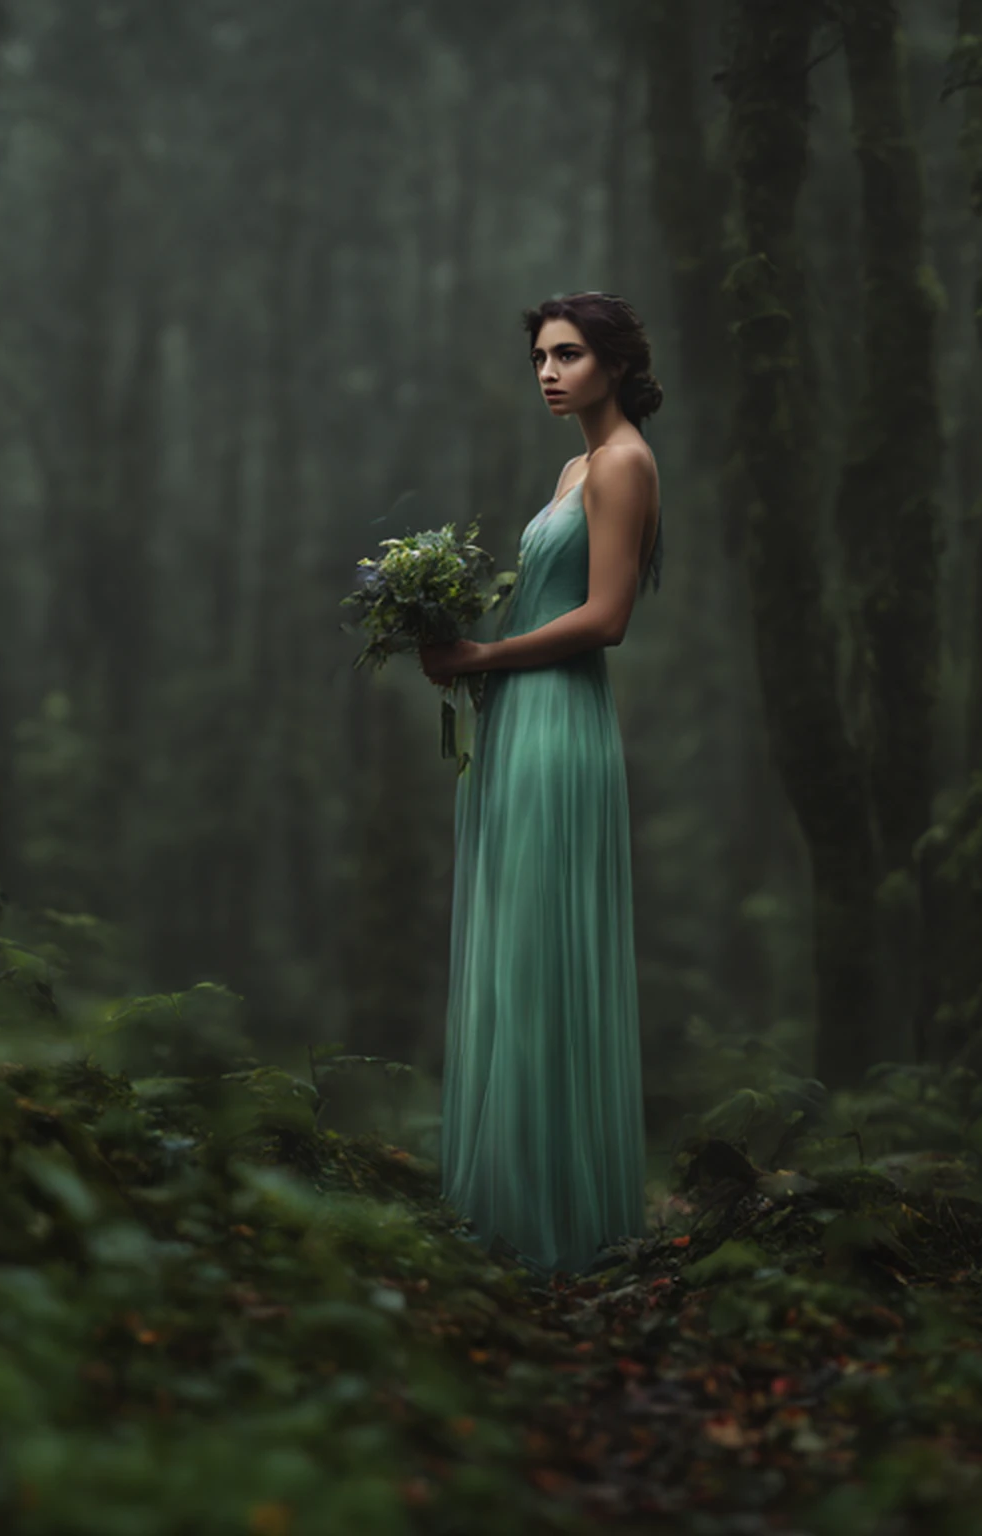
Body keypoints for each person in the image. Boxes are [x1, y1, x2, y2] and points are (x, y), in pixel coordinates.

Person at [416, 291, 663, 1274]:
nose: (548, 373)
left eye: (567, 354)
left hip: (561, 720)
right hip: (522, 714)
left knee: (545, 940)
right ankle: (509, 1201)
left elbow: (607, 620)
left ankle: (556, 1219)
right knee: (517, 942)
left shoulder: (628, 463)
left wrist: (481, 654)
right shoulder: (576, 465)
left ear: (613, 361)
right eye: (539, 358)